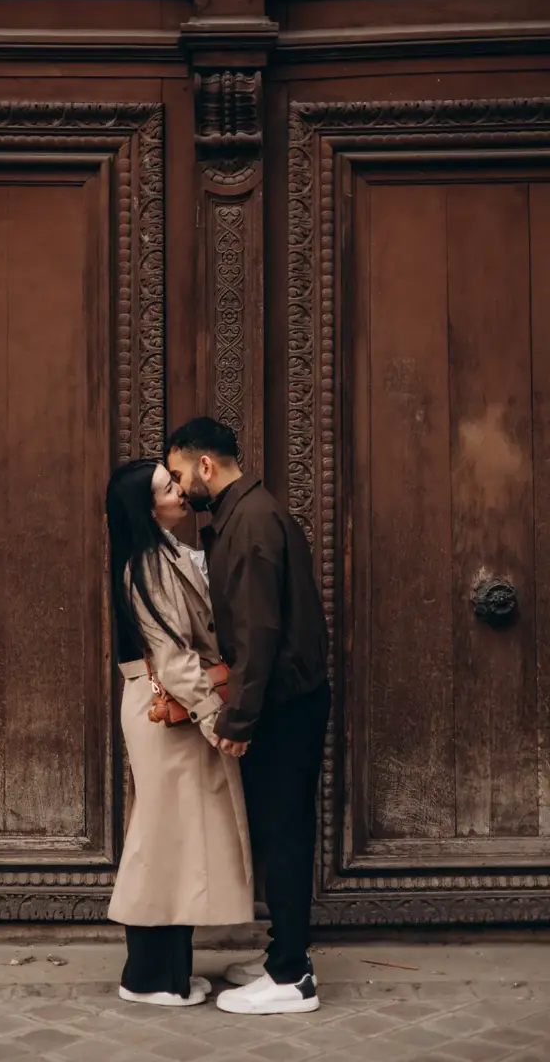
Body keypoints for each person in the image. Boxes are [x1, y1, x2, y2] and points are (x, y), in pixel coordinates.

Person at [166, 417, 330, 1016]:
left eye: (181, 474)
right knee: (278, 830)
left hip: (283, 707)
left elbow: (258, 636)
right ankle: (286, 953)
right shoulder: (245, 515)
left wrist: (237, 721)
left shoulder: (251, 522)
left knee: (283, 835)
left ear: (205, 465)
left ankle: (291, 979)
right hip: (286, 700)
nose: (180, 490)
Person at [105, 458, 254, 1008]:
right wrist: (220, 721)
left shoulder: (163, 553)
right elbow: (172, 658)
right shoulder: (147, 564)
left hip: (169, 713)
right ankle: (147, 976)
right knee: (162, 840)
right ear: (148, 509)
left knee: (173, 839)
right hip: (165, 714)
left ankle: (165, 971)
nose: (182, 491)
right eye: (170, 488)